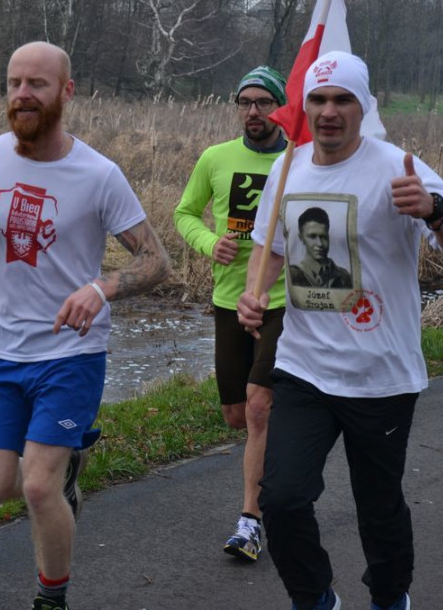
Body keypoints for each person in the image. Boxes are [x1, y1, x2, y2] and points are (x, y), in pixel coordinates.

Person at [236, 51, 443, 610]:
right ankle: (315, 597)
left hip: (381, 376)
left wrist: (434, 211)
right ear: (304, 105)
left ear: (365, 107)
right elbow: (269, 247)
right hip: (304, 368)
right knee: (282, 499)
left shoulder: (398, 168)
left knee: (378, 506)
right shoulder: (287, 168)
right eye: (319, 100)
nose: (328, 112)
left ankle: (391, 595)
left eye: (342, 100)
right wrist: (253, 297)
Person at [0, 41, 170, 610]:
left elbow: (157, 261)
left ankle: (50, 597)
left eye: (37, 84)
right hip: (0, 352)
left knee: (37, 487)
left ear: (66, 92)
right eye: (15, 83)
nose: (23, 95)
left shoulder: (98, 174)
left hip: (71, 354)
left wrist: (101, 288)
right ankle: (64, 473)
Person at [173, 65, 288, 563]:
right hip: (227, 299)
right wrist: (208, 242)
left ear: (281, 107)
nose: (253, 112)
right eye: (245, 103)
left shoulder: (298, 161)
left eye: (263, 102)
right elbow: (183, 214)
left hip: (284, 301)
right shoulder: (216, 159)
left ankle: (251, 521)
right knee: (237, 415)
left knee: (259, 407)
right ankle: (285, 461)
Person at [288, 206, 353, 289]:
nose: (319, 244)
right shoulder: (293, 274)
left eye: (323, 237)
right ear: (301, 237)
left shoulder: (344, 277)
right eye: (312, 236)